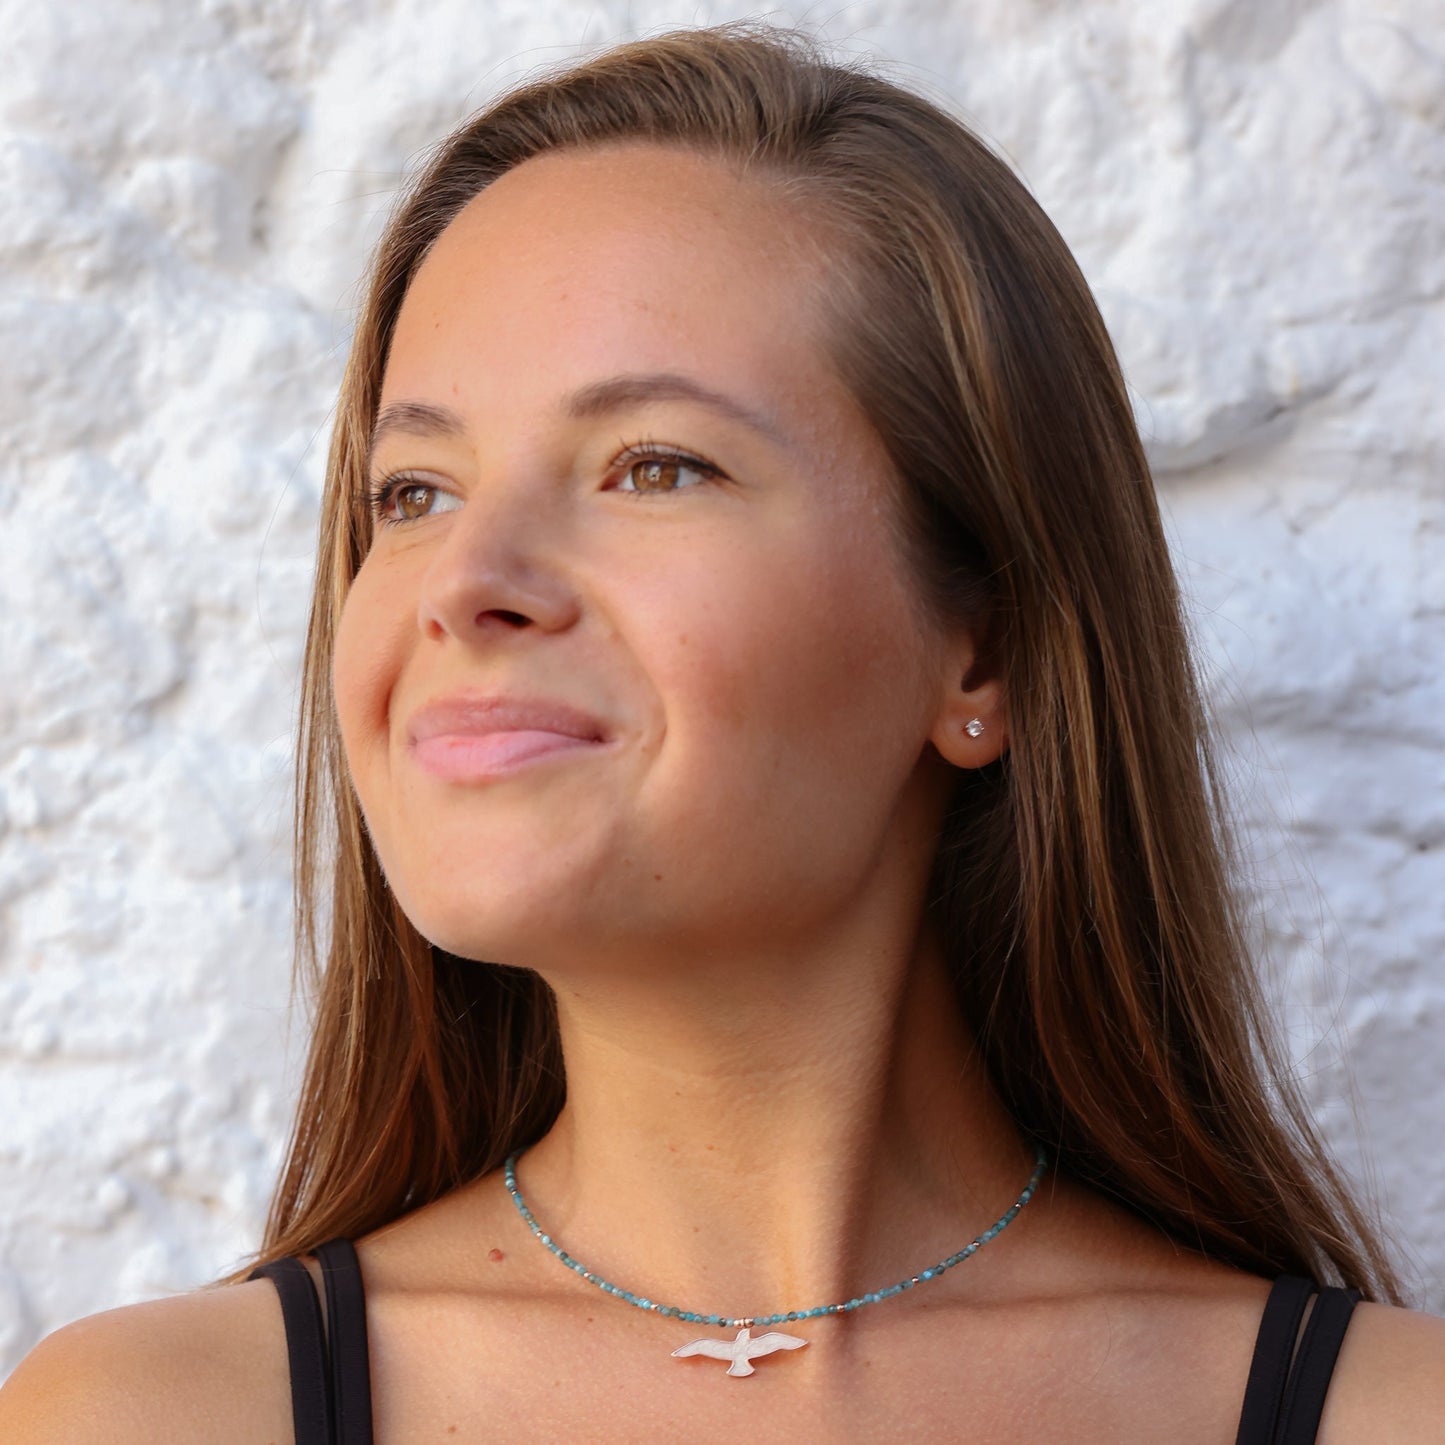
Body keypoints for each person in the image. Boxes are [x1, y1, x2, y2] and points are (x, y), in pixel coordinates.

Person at [2, 19, 1442, 1443]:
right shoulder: (148, 1417)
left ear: (985, 644)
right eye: (414, 491)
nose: (465, 583)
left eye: (651, 466)